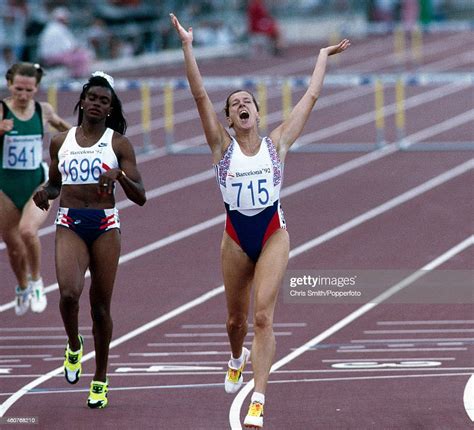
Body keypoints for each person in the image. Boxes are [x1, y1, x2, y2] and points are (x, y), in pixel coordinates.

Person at [170, 13, 349, 428]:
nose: (242, 105)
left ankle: (259, 399)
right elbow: (199, 97)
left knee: (263, 316)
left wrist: (322, 56)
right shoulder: (221, 148)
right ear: (229, 121)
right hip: (235, 236)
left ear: (257, 112)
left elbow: (311, 97)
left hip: (272, 232)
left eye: (247, 101)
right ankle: (237, 358)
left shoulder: (277, 144)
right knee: (235, 321)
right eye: (234, 104)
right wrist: (186, 47)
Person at [33, 71, 146, 409]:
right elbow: (55, 183)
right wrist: (45, 193)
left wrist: (120, 175)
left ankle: (100, 379)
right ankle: (73, 344)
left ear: (110, 109)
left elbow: (140, 196)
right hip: (69, 221)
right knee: (68, 294)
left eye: (104, 101)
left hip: (105, 226)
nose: (97, 104)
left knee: (100, 307)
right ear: (82, 101)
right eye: (92, 98)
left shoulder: (118, 144)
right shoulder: (60, 141)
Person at [0, 62, 71, 316]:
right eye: (18, 89)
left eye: (29, 90)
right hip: (5, 188)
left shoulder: (43, 110)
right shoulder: (2, 111)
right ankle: (22, 286)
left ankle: (37, 281)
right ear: (9, 84)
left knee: (28, 231)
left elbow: (67, 130)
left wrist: (91, 143)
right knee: (14, 246)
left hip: (38, 183)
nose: (23, 95)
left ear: (36, 88)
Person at [38, 7, 92, 78]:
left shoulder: (50, 27)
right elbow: (70, 47)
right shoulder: (59, 28)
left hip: (48, 56)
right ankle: (78, 77)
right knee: (82, 56)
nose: (67, 20)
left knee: (80, 54)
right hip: (52, 57)